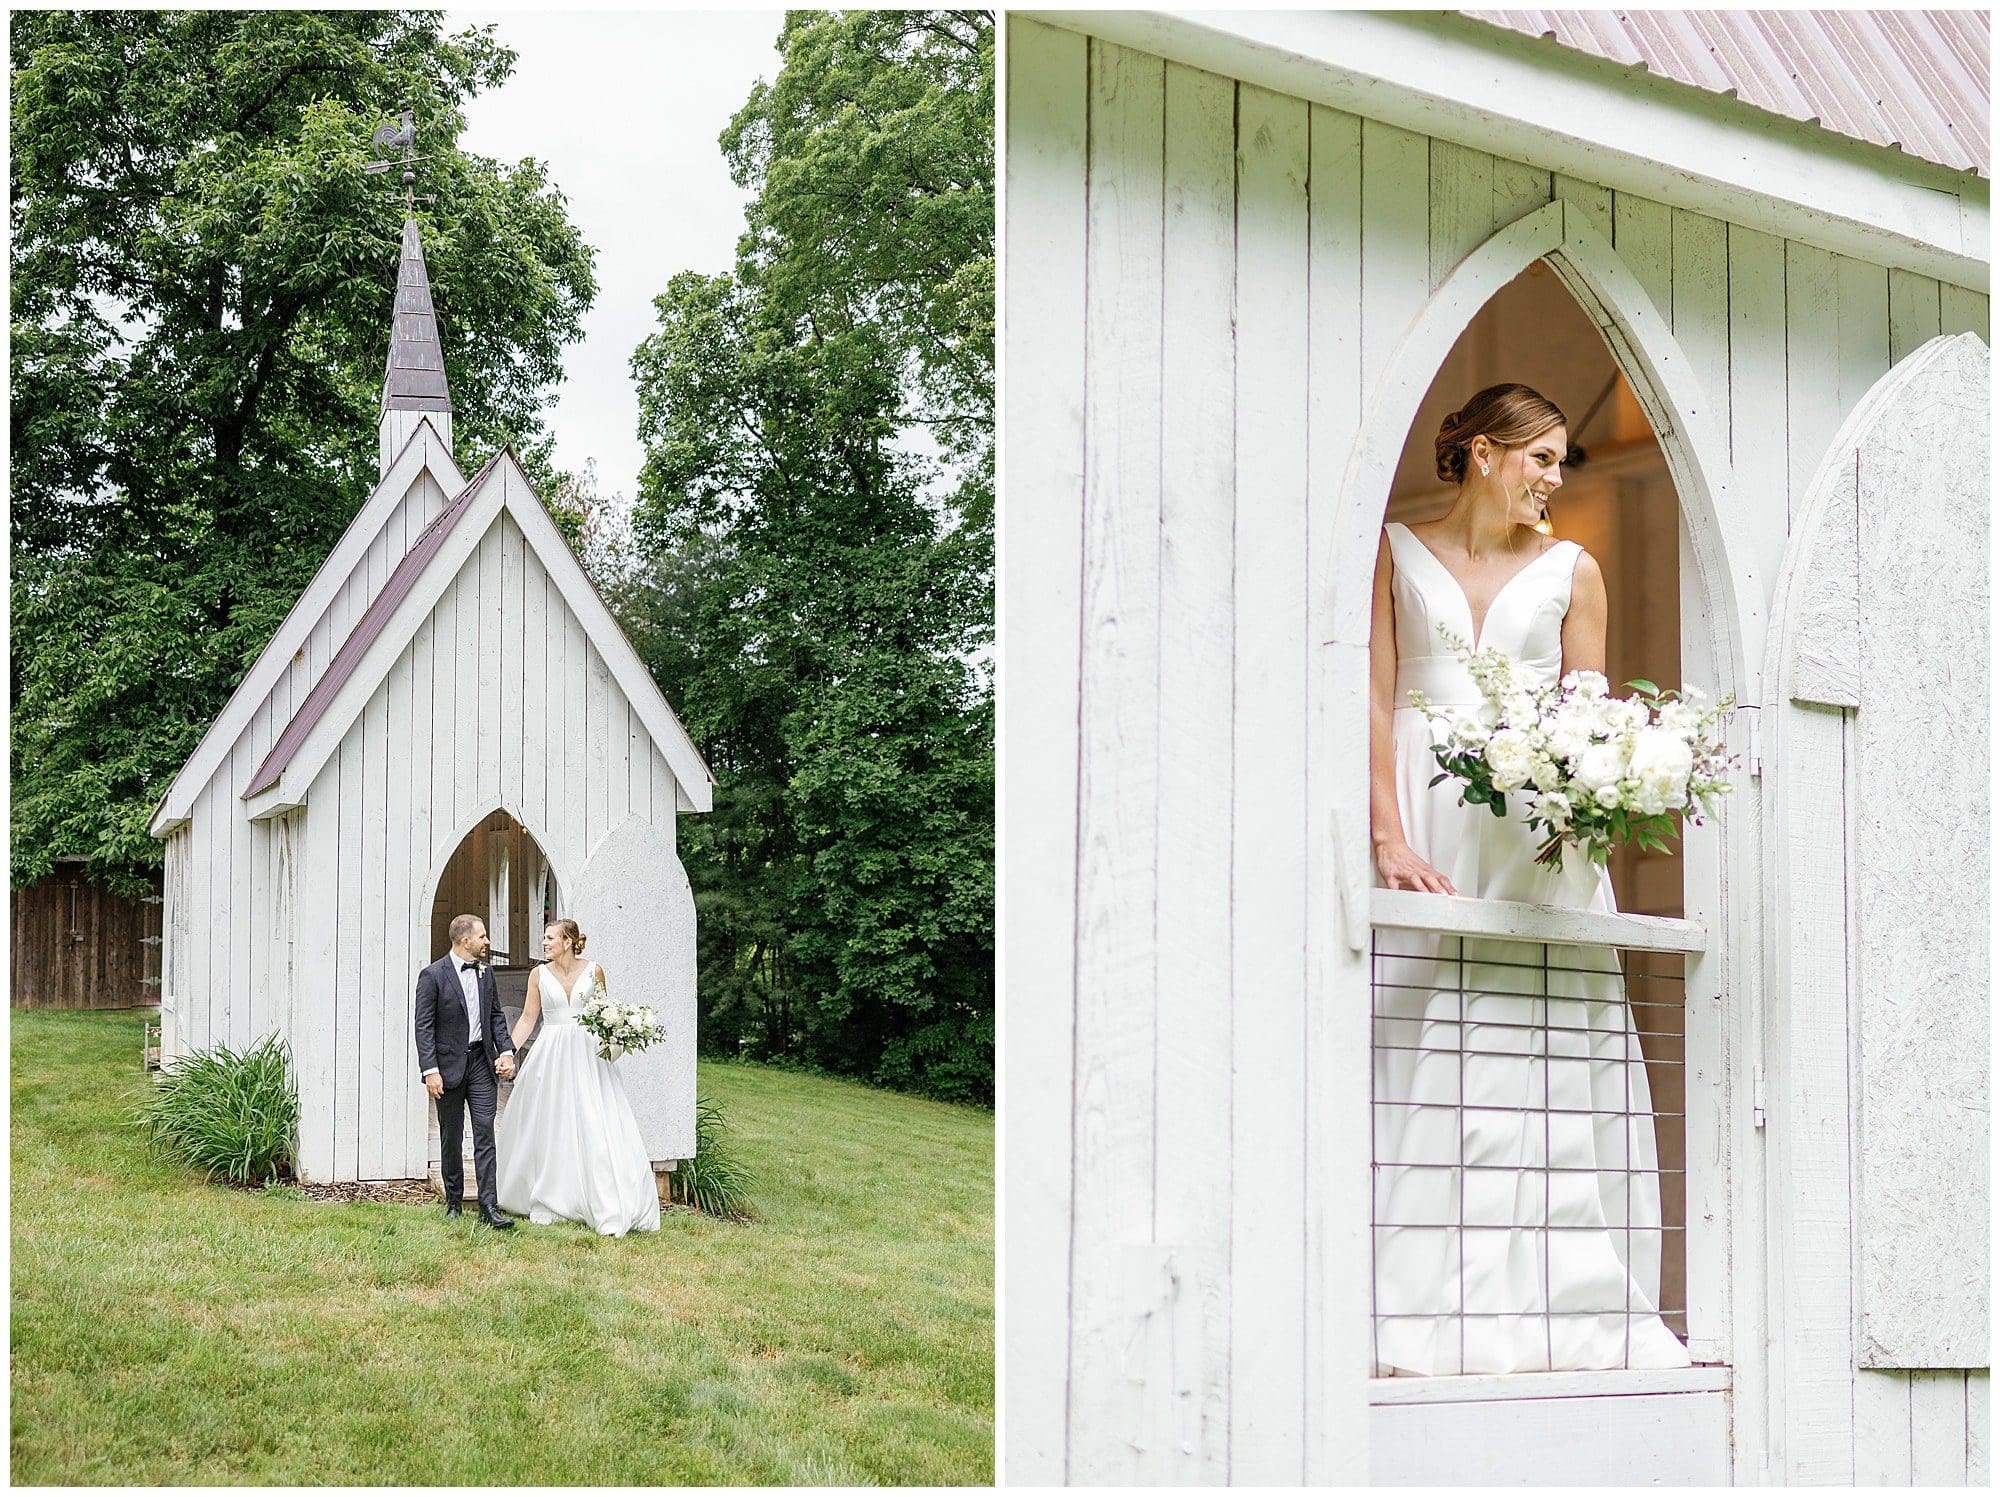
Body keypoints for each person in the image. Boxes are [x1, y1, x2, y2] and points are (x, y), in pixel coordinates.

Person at [1368, 381, 1691, 1376]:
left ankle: (1560, 1310)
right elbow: (1373, 700)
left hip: (1532, 843)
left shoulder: (1571, 572)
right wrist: (1386, 837)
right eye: (1538, 457)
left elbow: (1586, 717)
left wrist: (1585, 812)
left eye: (1560, 462)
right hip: (1424, 821)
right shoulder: (1387, 549)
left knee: (1535, 1054)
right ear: (1476, 450)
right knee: (1415, 1040)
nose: (1552, 479)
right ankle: (1407, 1304)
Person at [495, 919, 661, 1237]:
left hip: (588, 1055)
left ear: (569, 941)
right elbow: (529, 1019)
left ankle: (603, 1196)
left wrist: (620, 1034)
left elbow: (604, 1014)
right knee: (549, 1122)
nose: (544, 943)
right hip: (551, 1053)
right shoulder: (538, 975)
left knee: (594, 1119)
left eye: (550, 938)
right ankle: (551, 1194)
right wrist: (508, 1052)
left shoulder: (594, 970)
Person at [413, 914, 518, 1228]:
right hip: (447, 1068)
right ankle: (454, 1202)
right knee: (451, 1135)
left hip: (481, 1064)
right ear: (465, 940)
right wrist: (430, 1070)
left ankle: (489, 1207)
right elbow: (424, 1027)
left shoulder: (486, 973)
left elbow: (496, 1016)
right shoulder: (432, 976)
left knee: (486, 1131)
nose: (487, 942)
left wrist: (507, 1050)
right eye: (482, 936)